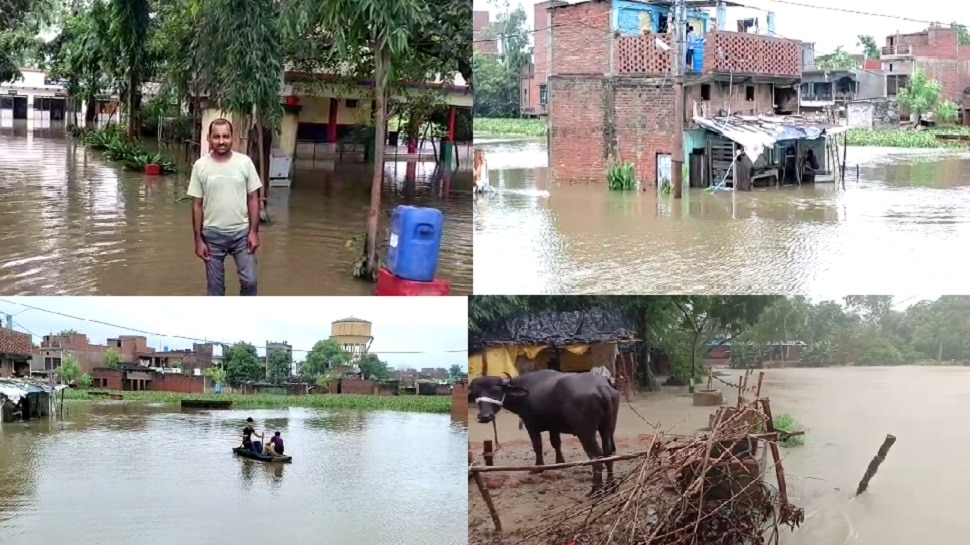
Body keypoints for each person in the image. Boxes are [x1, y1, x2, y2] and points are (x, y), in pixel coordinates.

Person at [187, 118, 262, 296]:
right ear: (209, 138)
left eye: (225, 136)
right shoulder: (200, 166)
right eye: (217, 136)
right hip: (212, 236)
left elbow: (253, 198)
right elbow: (197, 205)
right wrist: (198, 240)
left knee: (250, 281)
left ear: (232, 138)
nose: (221, 141)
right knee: (215, 290)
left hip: (242, 234)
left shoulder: (245, 163)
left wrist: (254, 232)